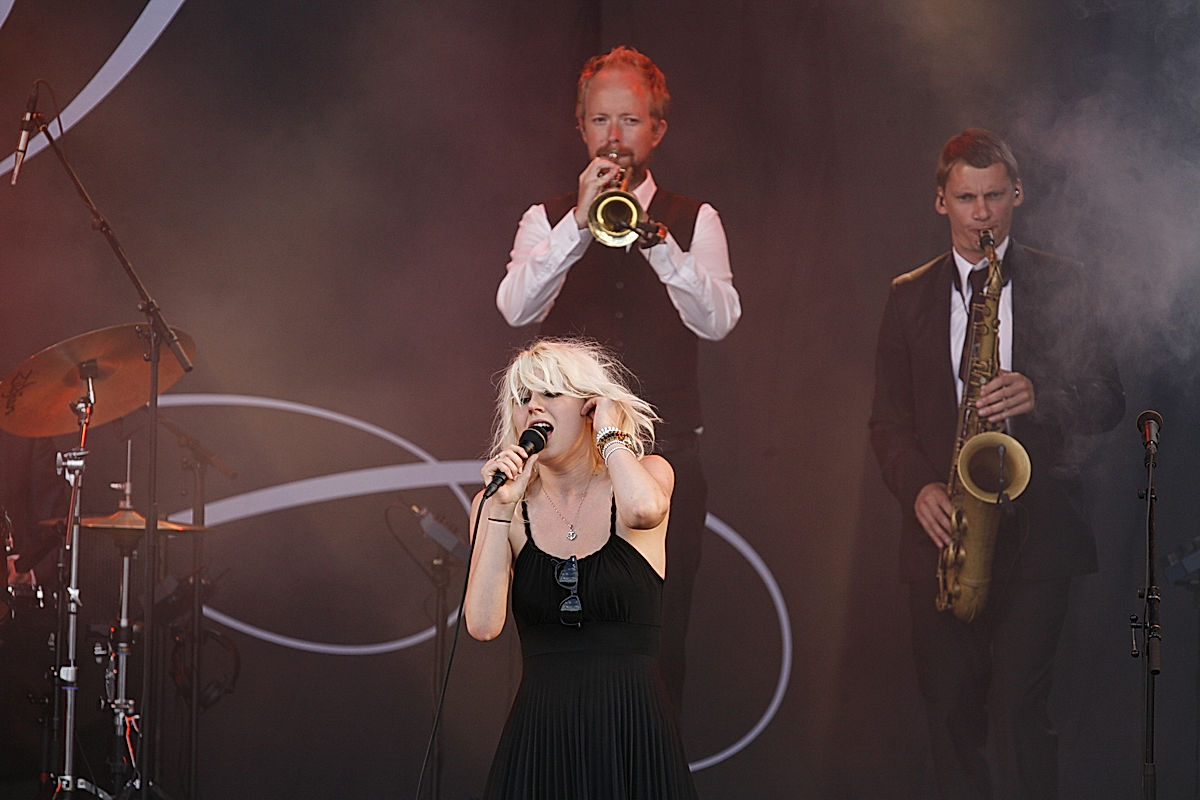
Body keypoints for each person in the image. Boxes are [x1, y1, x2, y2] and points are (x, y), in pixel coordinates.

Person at [869, 128, 1125, 800]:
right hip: (945, 536)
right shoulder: (908, 295)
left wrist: (1040, 394)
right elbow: (887, 422)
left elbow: (1107, 399)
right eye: (966, 198)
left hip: (1039, 535)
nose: (981, 214)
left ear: (1018, 194)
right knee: (950, 718)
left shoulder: (1065, 283)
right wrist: (918, 487)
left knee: (1021, 714)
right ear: (940, 201)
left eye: (993, 196)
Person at [496, 44, 740, 711]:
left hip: (663, 460)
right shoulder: (546, 219)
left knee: (660, 642)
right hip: (567, 468)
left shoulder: (694, 220)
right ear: (581, 127)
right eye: (601, 120)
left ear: (657, 130)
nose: (614, 137)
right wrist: (578, 225)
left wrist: (658, 242)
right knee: (565, 642)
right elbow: (515, 307)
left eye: (629, 121)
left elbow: (718, 320)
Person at [465, 338, 698, 800]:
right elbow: (483, 624)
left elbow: (644, 511)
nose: (533, 407)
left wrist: (610, 434)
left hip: (630, 725)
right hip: (543, 732)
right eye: (523, 398)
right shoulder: (497, 504)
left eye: (551, 393)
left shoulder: (647, 475)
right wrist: (500, 511)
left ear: (590, 407)